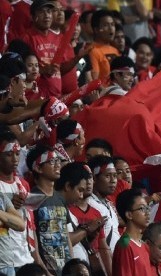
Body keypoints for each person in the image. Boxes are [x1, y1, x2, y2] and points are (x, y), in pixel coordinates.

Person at [0, 131, 35, 274]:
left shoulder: (23, 184)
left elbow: (29, 224)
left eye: (17, 153)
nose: (15, 159)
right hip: (5, 259)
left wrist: (35, 255)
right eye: (9, 154)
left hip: (25, 256)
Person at [21, 0, 62, 98]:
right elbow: (21, 70)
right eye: (41, 11)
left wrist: (78, 57)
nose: (46, 15)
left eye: (49, 11)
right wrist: (43, 70)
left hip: (57, 96)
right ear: (33, 17)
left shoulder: (57, 38)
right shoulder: (27, 38)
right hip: (36, 97)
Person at [113, 188, 152, 275]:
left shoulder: (144, 245)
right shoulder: (124, 244)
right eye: (142, 208)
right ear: (129, 215)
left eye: (147, 207)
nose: (148, 212)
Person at [87, 155, 121, 252]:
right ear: (94, 178)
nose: (113, 180)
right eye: (107, 176)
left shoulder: (109, 205)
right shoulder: (89, 204)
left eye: (115, 176)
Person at [88, 9, 120, 81]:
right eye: (106, 25)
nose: (111, 28)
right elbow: (94, 80)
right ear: (96, 30)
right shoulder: (92, 50)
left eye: (112, 24)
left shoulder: (115, 50)